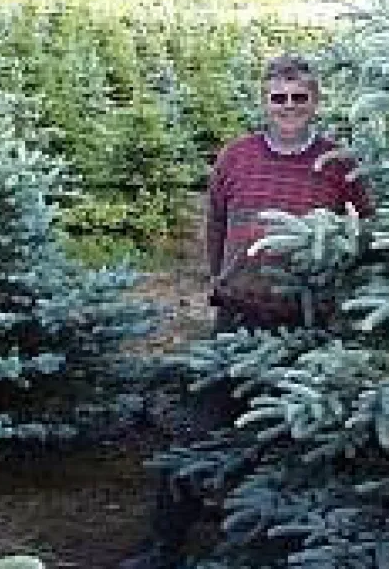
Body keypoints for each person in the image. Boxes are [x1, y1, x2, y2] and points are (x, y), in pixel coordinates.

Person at [120, 55, 372, 569]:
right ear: (265, 101)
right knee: (201, 429)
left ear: (315, 103)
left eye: (299, 98)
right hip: (237, 319)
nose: (288, 108)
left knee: (298, 434)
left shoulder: (338, 167)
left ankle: (288, 543)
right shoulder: (235, 157)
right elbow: (215, 223)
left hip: (307, 326)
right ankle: (162, 544)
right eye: (279, 97)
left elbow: (361, 237)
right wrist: (222, 277)